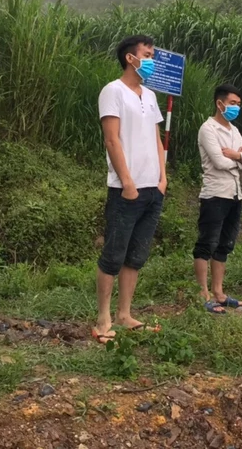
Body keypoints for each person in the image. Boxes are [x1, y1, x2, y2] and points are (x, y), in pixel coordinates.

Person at [94, 35, 167, 343]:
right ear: (130, 58)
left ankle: (124, 314)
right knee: (113, 253)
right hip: (127, 189)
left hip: (153, 188)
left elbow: (157, 138)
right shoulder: (113, 91)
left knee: (136, 255)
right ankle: (103, 319)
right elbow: (112, 139)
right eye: (147, 54)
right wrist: (127, 182)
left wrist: (163, 179)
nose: (151, 60)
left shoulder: (149, 95)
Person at [195, 84, 242, 314]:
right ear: (219, 104)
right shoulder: (207, 129)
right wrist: (240, 159)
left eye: (238, 104)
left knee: (225, 244)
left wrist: (237, 155)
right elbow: (219, 163)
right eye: (232, 103)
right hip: (214, 194)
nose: (236, 108)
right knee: (206, 244)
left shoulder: (233, 130)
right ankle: (203, 294)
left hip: (234, 193)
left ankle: (219, 292)